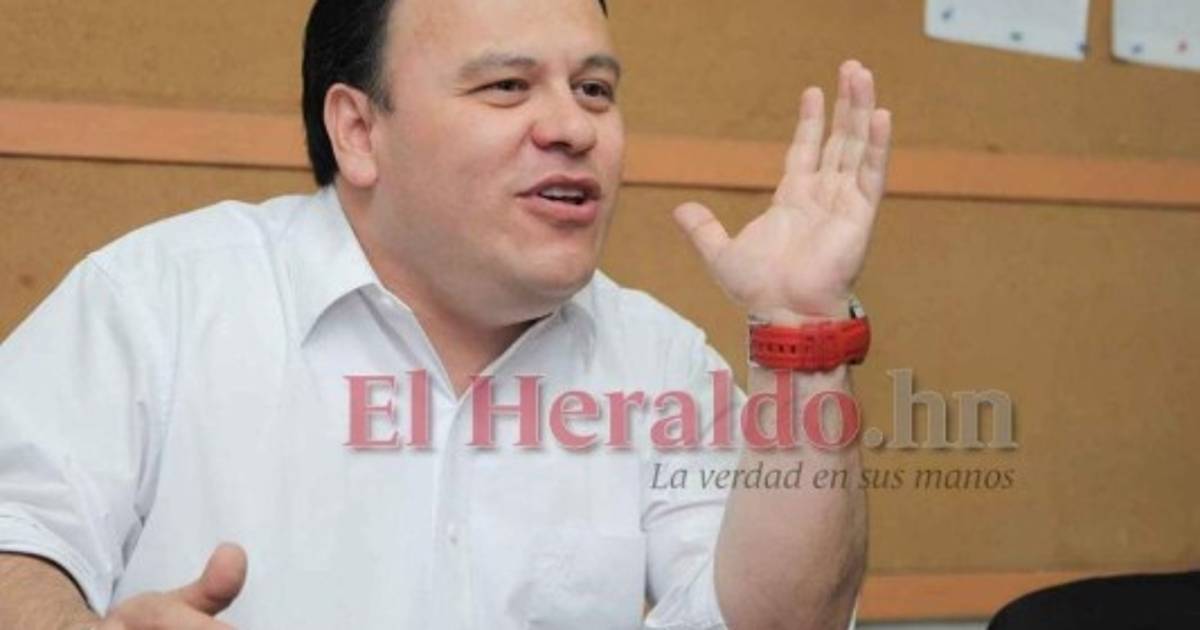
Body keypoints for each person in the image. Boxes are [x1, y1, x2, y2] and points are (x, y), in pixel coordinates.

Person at [0, 0, 891, 627]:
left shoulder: (656, 359)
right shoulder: (160, 299)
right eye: (507, 86)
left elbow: (778, 623)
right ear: (359, 131)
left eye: (594, 89)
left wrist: (803, 330)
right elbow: (17, 539)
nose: (573, 127)